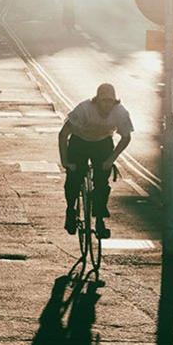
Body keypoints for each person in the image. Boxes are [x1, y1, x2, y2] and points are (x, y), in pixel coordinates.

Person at [58, 82, 133, 240]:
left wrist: (111, 159)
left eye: (110, 101)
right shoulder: (84, 109)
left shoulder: (120, 113)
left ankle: (99, 219)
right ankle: (70, 210)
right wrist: (65, 162)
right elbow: (63, 134)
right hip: (80, 141)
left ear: (115, 102)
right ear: (96, 100)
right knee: (74, 176)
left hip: (102, 142)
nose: (107, 105)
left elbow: (126, 137)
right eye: (104, 100)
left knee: (102, 180)